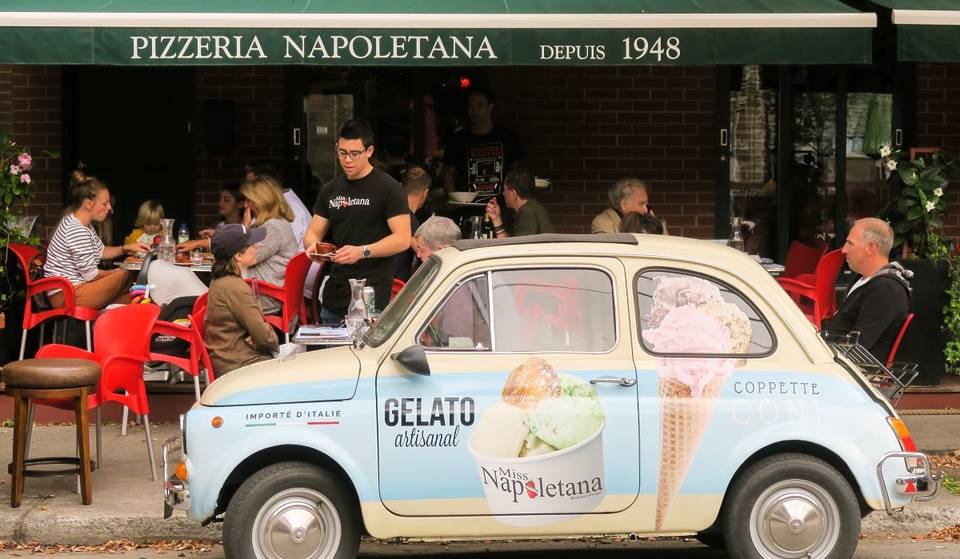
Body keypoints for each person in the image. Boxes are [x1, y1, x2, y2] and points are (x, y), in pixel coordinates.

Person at [303, 118, 411, 324]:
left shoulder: (388, 188)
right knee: (332, 356)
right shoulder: (330, 189)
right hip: (335, 295)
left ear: (369, 151)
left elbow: (403, 239)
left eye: (354, 153)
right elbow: (312, 234)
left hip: (372, 297)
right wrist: (314, 249)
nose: (347, 160)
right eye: (342, 153)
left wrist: (361, 252)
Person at [43, 170, 150, 309]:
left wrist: (126, 248)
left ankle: (109, 328)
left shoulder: (83, 225)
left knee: (133, 299)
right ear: (88, 204)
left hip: (76, 289)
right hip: (67, 295)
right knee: (131, 274)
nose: (110, 208)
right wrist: (115, 273)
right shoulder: (77, 230)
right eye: (105, 204)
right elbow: (91, 275)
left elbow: (101, 251)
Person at [823, 218, 912, 361]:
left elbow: (857, 347)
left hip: (850, 372)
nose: (844, 249)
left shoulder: (887, 289)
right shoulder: (862, 279)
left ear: (871, 247)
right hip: (830, 359)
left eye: (850, 243)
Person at [204, 224, 279, 375]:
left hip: (231, 359)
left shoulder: (219, 281)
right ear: (238, 255)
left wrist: (259, 334)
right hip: (242, 364)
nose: (256, 247)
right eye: (251, 244)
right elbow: (265, 338)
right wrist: (269, 335)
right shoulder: (236, 287)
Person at [442, 88, 522, 196]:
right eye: (471, 106)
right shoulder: (458, 139)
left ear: (490, 107)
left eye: (479, 106)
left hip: (500, 207)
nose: (474, 110)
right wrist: (453, 200)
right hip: (466, 208)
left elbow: (516, 173)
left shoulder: (507, 138)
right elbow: (448, 173)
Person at [239, 175, 299, 316]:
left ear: (262, 201)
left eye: (249, 200)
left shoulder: (272, 228)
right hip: (260, 290)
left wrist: (244, 228)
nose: (245, 205)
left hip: (264, 296)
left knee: (216, 294)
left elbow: (242, 258)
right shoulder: (269, 223)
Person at [485, 169, 553, 238]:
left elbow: (518, 247)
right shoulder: (534, 207)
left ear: (513, 194)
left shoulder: (527, 212)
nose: (503, 193)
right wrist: (496, 219)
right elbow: (512, 245)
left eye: (505, 189)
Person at [393, 165, 432, 281]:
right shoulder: (410, 221)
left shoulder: (389, 212)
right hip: (394, 289)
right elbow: (425, 254)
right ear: (425, 193)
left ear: (400, 186)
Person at [177, 185, 245, 253]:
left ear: (240, 204)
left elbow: (234, 244)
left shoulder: (247, 226)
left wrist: (200, 243)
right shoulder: (218, 225)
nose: (220, 203)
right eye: (220, 200)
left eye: (226, 200)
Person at [592, 178, 657, 234]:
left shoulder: (645, 221)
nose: (646, 209)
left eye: (646, 203)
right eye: (641, 204)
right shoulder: (603, 223)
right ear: (624, 205)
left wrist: (655, 223)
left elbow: (665, 245)